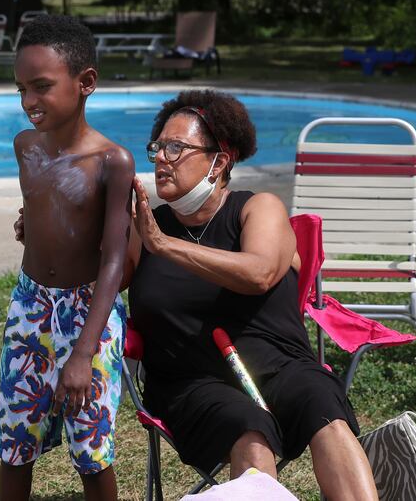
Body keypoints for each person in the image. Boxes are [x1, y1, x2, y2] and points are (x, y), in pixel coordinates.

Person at [126, 89, 378, 500]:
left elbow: (259, 273)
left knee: (323, 405)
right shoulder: (143, 226)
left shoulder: (256, 209)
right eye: (158, 147)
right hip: (190, 382)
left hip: (279, 365)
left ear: (219, 161)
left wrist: (166, 246)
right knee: (250, 431)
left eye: (176, 148)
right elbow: (94, 276)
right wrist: (49, 236)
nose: (160, 158)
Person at [0, 14, 134, 501]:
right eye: (20, 89)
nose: (28, 102)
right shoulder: (24, 147)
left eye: (41, 86)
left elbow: (114, 261)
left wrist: (83, 352)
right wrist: (33, 227)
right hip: (29, 306)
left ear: (86, 83)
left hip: (88, 311)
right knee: (15, 442)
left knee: (91, 451)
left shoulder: (111, 162)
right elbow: (45, 209)